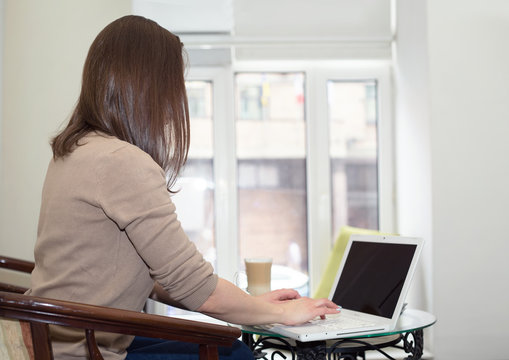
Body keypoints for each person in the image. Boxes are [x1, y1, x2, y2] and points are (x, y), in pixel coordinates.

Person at [27, 15, 340, 360]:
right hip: (85, 350)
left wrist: (251, 305)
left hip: (54, 341)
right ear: (151, 88)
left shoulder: (76, 150)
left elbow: (157, 276)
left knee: (228, 346)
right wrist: (281, 314)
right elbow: (197, 289)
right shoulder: (121, 161)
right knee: (237, 355)